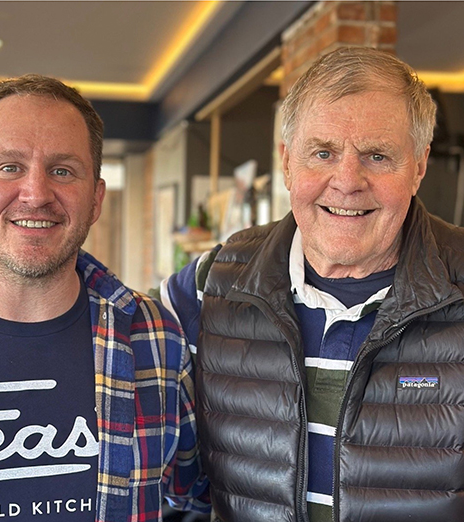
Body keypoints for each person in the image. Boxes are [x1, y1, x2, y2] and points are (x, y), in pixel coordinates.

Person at [151, 47, 464, 522]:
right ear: (287, 161)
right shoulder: (209, 284)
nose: (347, 181)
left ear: (419, 166)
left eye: (377, 156)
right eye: (323, 152)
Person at [0, 75, 209, 522]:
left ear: (95, 199)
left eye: (63, 170)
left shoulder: (154, 338)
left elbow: (198, 497)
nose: (37, 194)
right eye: (9, 167)